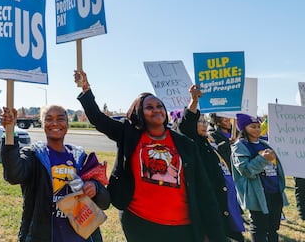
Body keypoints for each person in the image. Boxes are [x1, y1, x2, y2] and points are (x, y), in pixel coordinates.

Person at [73, 69, 225, 242]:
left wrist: (214, 233)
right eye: (149, 107)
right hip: (140, 223)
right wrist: (86, 89)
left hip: (182, 226)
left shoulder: (184, 144)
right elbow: (98, 119)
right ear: (139, 112)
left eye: (160, 106)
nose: (156, 110)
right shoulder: (128, 134)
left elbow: (203, 190)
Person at [0, 104, 110, 241]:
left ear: (67, 124)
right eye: (49, 119)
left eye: (60, 118)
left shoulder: (80, 158)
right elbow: (13, 175)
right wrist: (9, 132)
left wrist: (95, 187)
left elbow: (104, 202)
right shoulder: (34, 155)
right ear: (42, 124)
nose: (55, 123)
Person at [178, 85, 245, 241]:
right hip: (205, 206)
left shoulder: (206, 143)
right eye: (199, 122)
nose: (203, 125)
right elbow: (186, 125)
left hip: (220, 202)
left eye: (204, 121)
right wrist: (194, 101)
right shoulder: (190, 142)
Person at [231, 113, 289, 242]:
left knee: (273, 228)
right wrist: (262, 159)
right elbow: (245, 170)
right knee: (260, 228)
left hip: (274, 191)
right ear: (243, 128)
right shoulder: (239, 146)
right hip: (257, 195)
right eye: (252, 127)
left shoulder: (265, 144)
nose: (257, 129)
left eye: (258, 126)